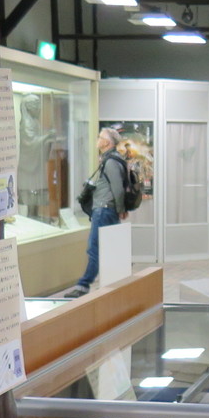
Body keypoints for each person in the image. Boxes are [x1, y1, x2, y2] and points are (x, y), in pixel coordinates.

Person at [66, 127, 128, 297]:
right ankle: (112, 285)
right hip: (105, 209)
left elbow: (117, 188)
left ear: (107, 142)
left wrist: (121, 209)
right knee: (107, 248)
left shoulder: (111, 162)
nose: (97, 140)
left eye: (100, 137)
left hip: (104, 210)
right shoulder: (110, 160)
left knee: (94, 248)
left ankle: (83, 285)